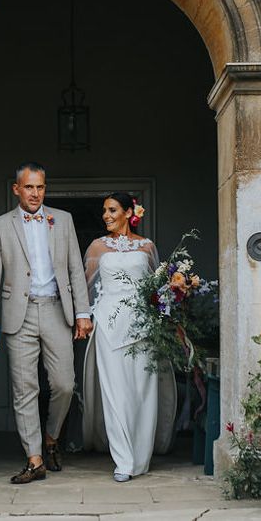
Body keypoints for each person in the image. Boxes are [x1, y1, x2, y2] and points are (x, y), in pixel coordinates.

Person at [0, 162, 93, 484]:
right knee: (24, 389)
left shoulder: (63, 220)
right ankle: (34, 459)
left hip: (58, 310)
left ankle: (52, 437)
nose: (35, 193)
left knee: (64, 384)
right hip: (20, 314)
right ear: (16, 189)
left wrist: (82, 312)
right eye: (29, 187)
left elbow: (74, 268)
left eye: (40, 187)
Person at [82, 192, 176, 482]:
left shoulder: (147, 247)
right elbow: (85, 286)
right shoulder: (97, 247)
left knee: (142, 391)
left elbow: (157, 288)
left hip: (142, 325)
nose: (106, 216)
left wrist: (168, 304)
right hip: (108, 325)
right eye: (104, 211)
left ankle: (141, 456)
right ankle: (123, 460)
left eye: (112, 210)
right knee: (115, 394)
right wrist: (83, 318)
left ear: (128, 212)